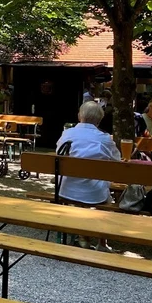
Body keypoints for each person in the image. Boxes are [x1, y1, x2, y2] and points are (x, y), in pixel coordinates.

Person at [56, 101, 120, 252]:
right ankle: (102, 243)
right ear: (99, 120)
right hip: (94, 193)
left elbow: (59, 153)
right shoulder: (104, 138)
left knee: (80, 188)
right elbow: (117, 160)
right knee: (105, 198)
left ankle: (83, 237)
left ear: (80, 116)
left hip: (66, 189)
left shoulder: (67, 134)